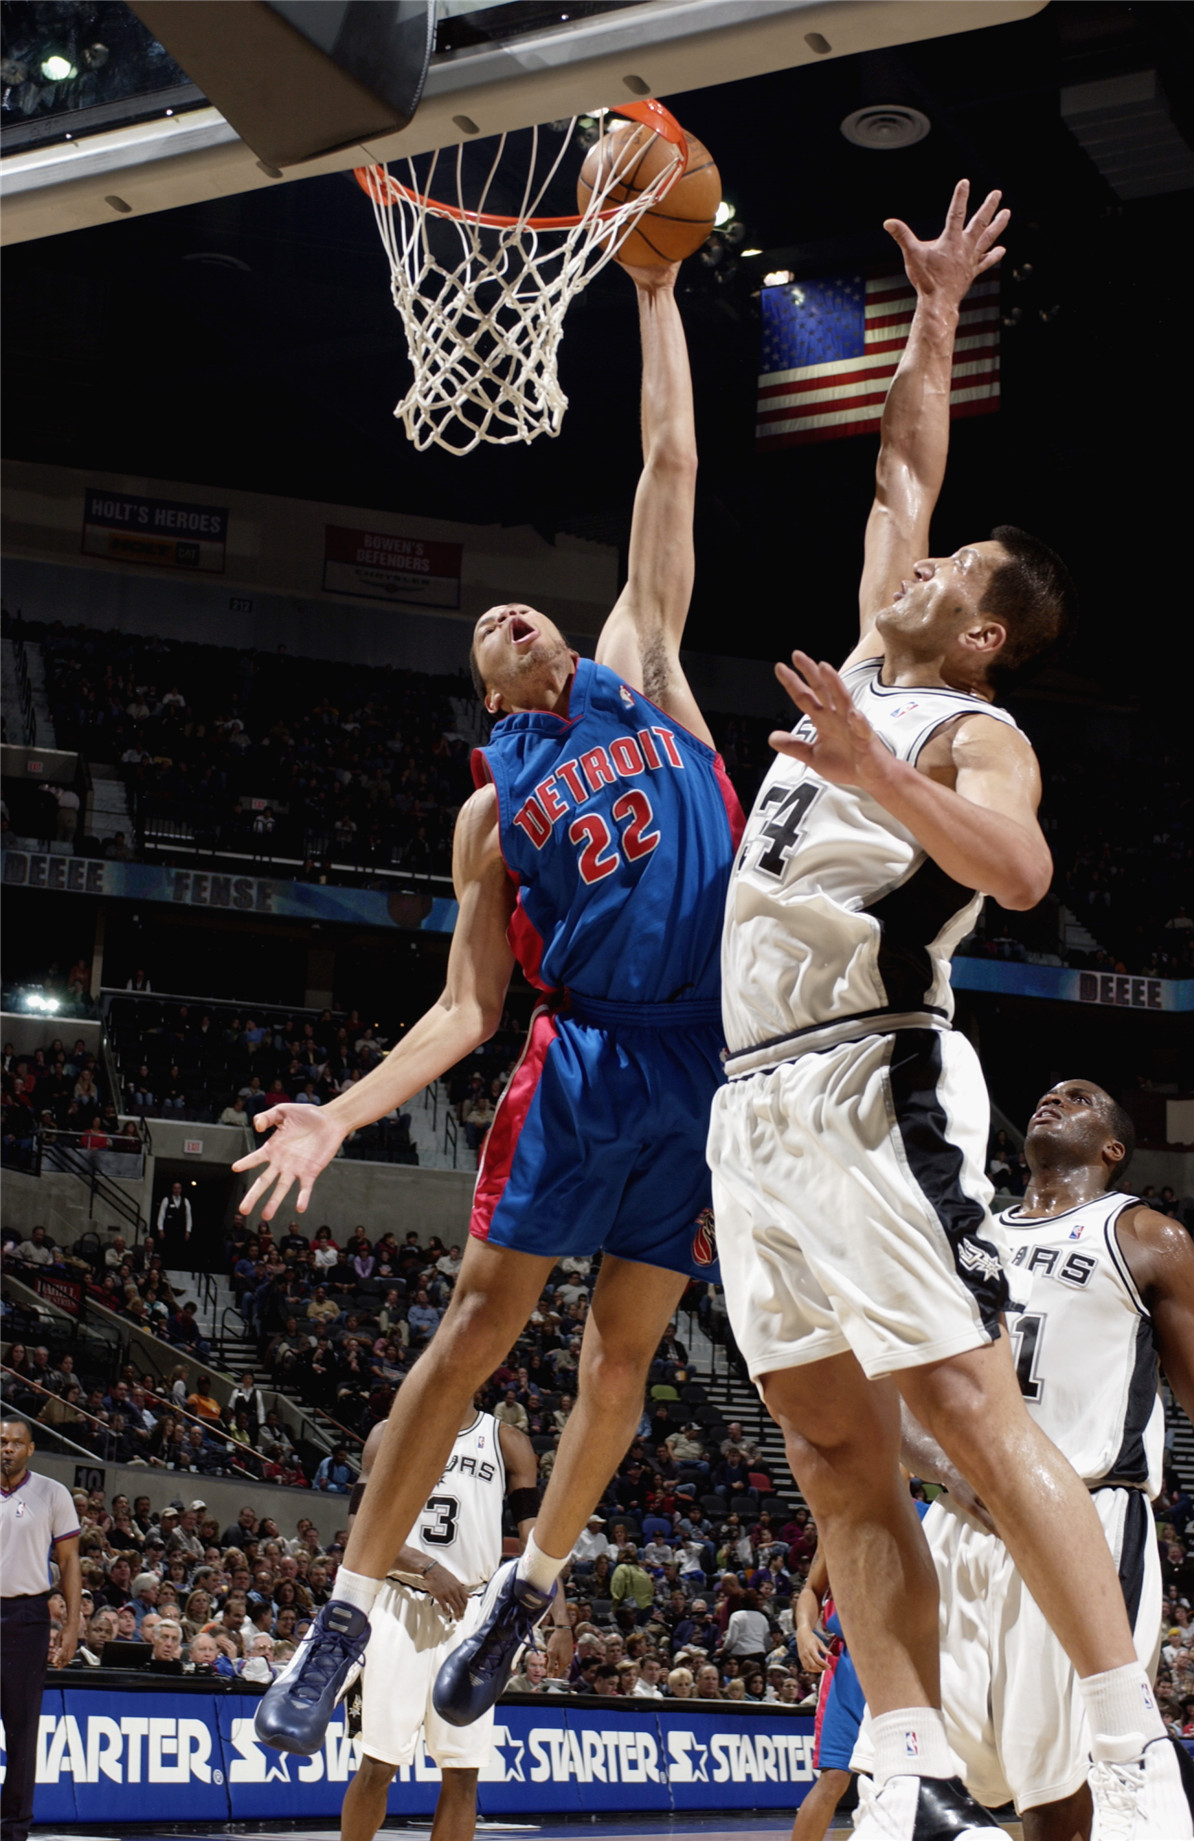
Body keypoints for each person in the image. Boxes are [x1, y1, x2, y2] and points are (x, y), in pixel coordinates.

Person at [707, 180, 1193, 1839]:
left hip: (873, 1072)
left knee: (968, 1409)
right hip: (750, 1102)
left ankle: (1131, 1744)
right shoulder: (875, 641)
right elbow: (903, 462)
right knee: (835, 1454)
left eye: (955, 568)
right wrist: (931, 313)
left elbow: (1026, 867)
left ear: (979, 632)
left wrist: (869, 774)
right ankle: (903, 1738)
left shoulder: (964, 734)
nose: (919, 556)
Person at [243, 258, 741, 1753]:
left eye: (522, 606)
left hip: (706, 1064)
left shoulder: (646, 669)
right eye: (483, 629)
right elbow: (466, 1009)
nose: (507, 613)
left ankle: (528, 1586)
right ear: (489, 690)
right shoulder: (490, 810)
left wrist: (655, 286)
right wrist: (341, 1109)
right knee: (471, 1335)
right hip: (582, 1059)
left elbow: (671, 460)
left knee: (621, 1360)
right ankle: (343, 1611)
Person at [866, 1080, 1194, 1839]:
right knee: (926, 1781)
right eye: (1048, 1094)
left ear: (1114, 1147)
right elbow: (894, 1389)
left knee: (1068, 1785)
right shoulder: (968, 1231)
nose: (1053, 1099)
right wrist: (949, 1470)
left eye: (1079, 1097)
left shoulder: (1147, 1236)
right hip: (958, 1517)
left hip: (1084, 1511)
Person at [336, 1395, 562, 1841]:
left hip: (472, 1615)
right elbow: (358, 1533)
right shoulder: (390, 1433)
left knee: (463, 1771)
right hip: (398, 1605)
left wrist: (561, 1622)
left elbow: (540, 1549)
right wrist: (425, 1566)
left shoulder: (507, 1442)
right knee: (378, 1763)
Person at [1, 1418, 81, 1841]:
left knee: (21, 1729)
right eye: (1, 1441)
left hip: (27, 1617)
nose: (7, 1448)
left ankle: (13, 1831)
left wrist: (71, 1625)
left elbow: (69, 1562)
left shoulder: (53, 1492)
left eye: (16, 1442)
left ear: (30, 1449)